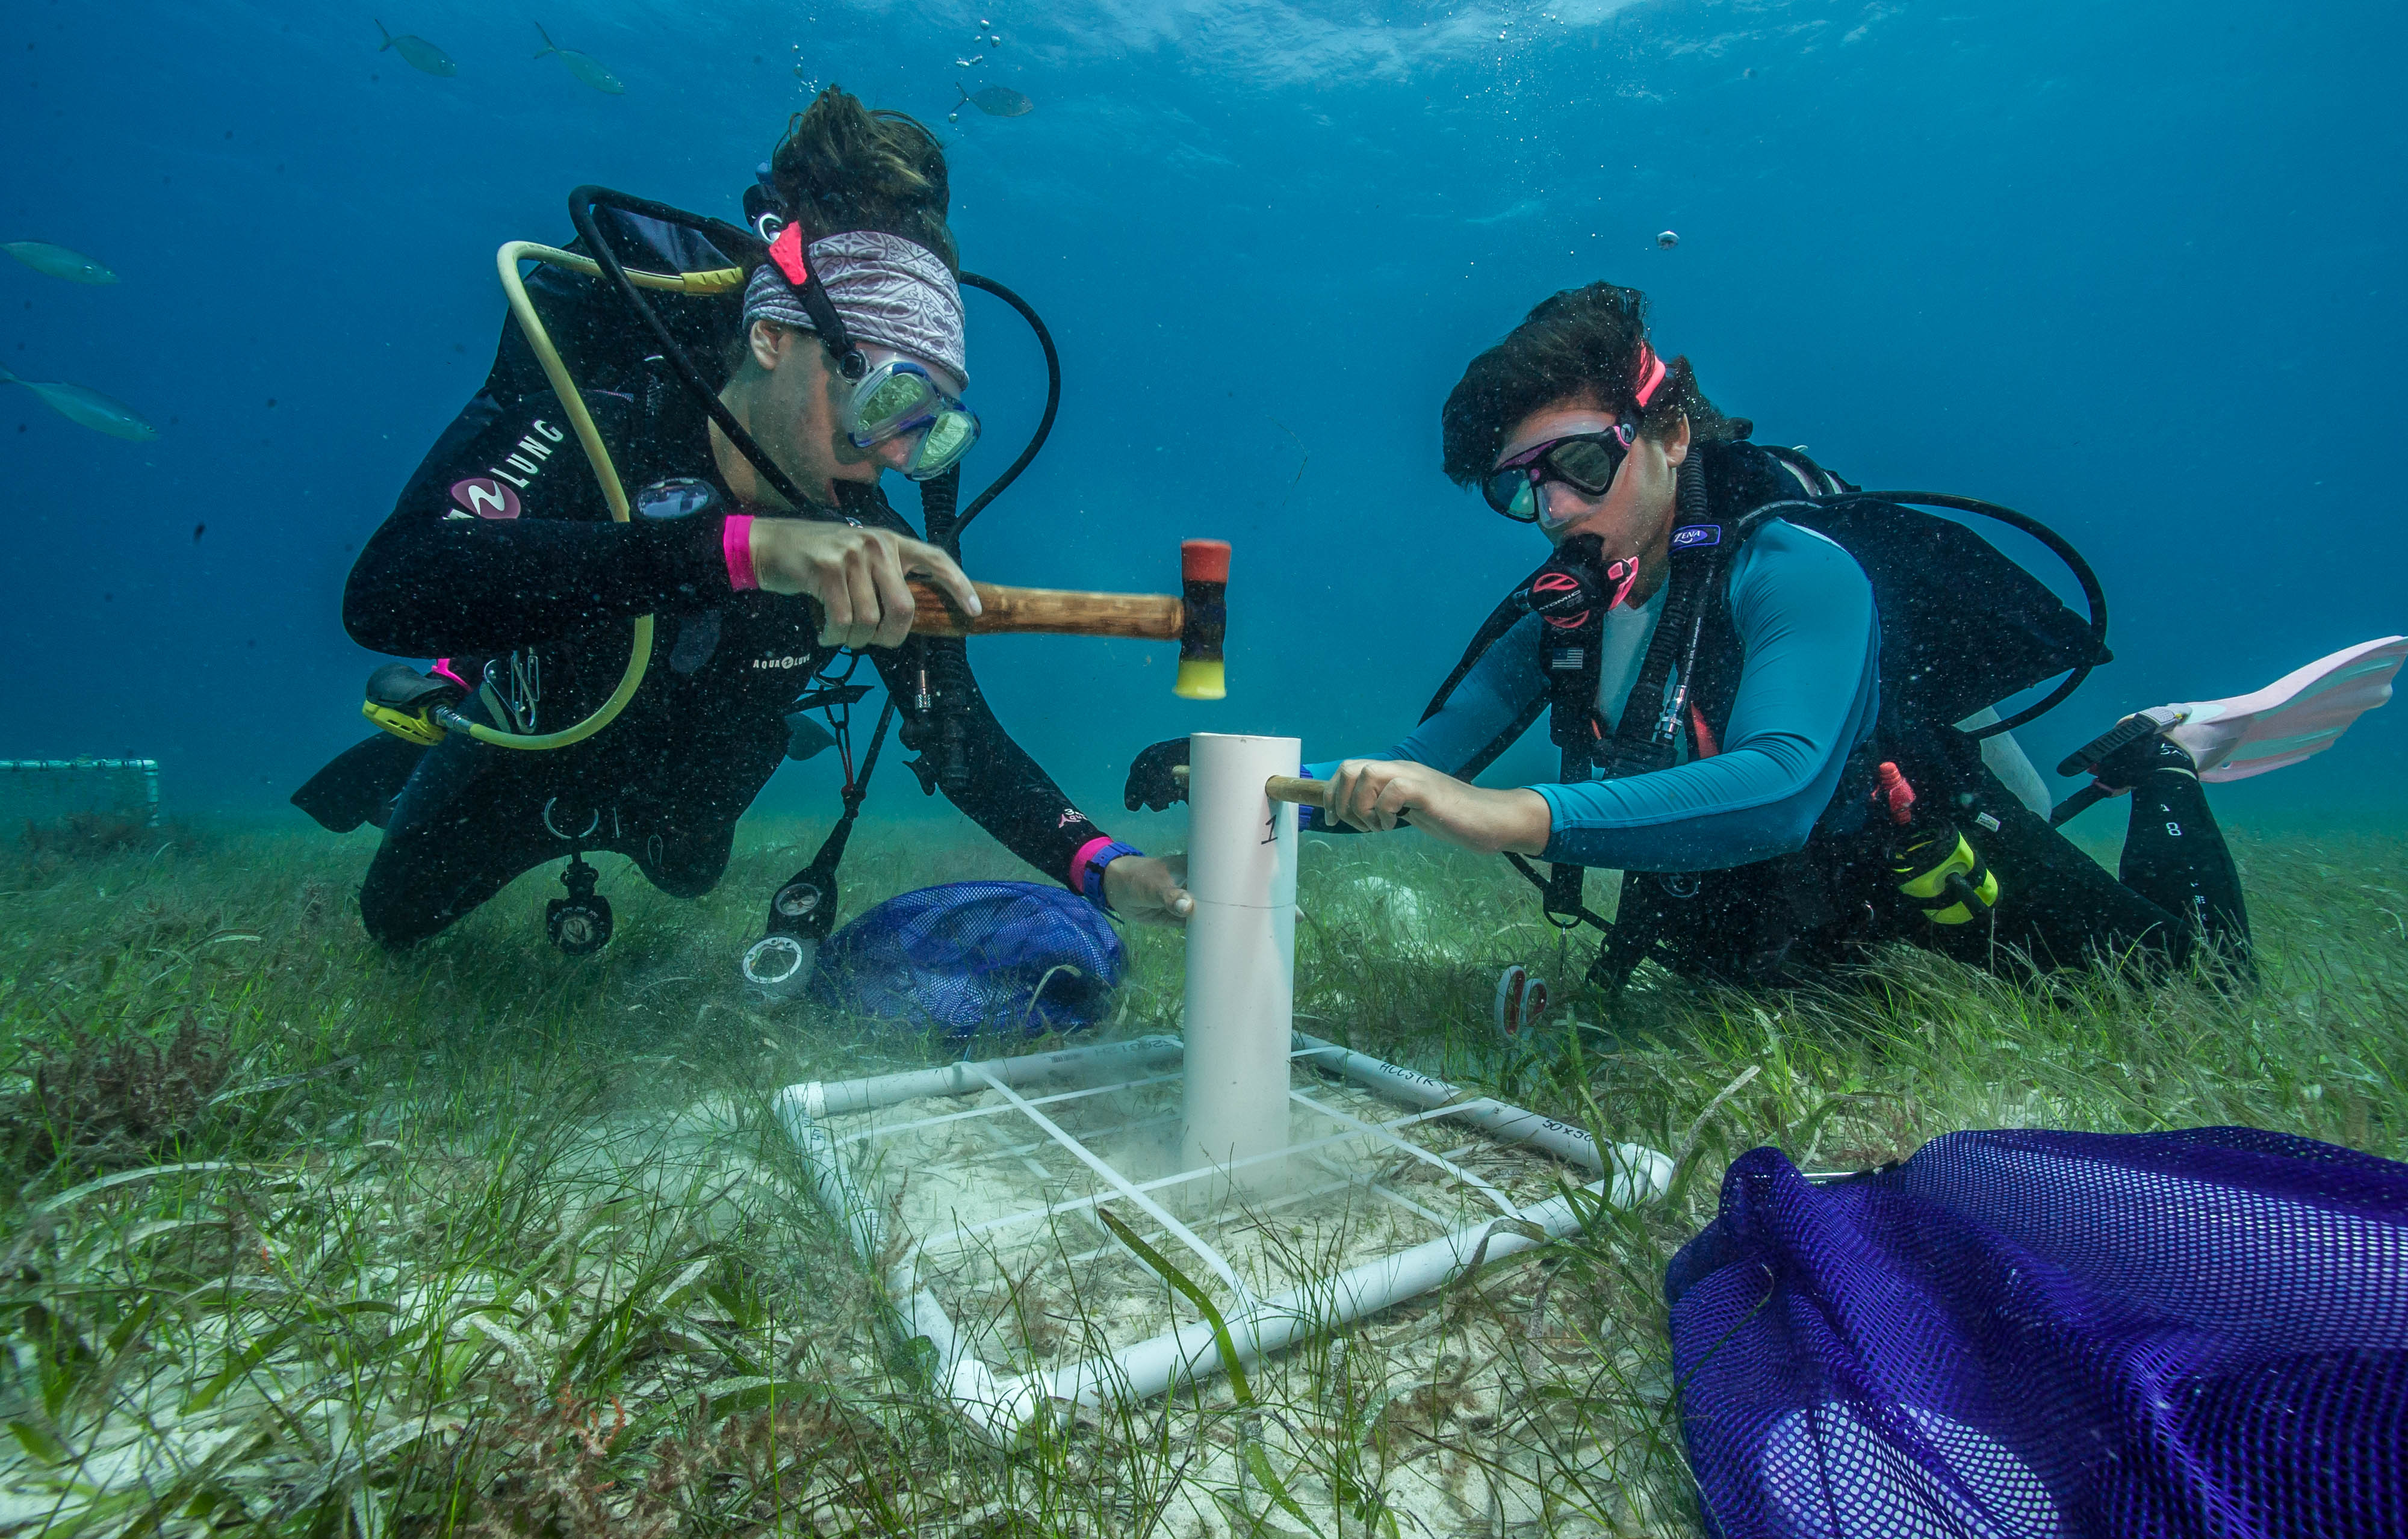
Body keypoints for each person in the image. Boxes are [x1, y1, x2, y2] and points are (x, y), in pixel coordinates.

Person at [1129, 283, 2247, 988]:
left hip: (1915, 847)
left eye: (1576, 465)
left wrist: (1505, 814)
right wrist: (1251, 789)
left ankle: (2157, 766)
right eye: (1519, 492)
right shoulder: (1561, 617)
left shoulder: (1794, 565)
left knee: (2189, 983)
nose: (1555, 511)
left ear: (1667, 429)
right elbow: (1419, 772)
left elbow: (1785, 785)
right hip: (1768, 906)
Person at [294, 88, 1190, 950]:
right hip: (530, 757)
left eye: (932, 430)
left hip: (681, 805)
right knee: (394, 914)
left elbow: (961, 741)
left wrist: (1105, 868)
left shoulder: (865, 533)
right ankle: (438, 724)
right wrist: (746, 549)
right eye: (890, 399)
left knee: (690, 870)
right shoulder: (611, 412)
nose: (891, 454)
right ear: (772, 337)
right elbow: (388, 591)